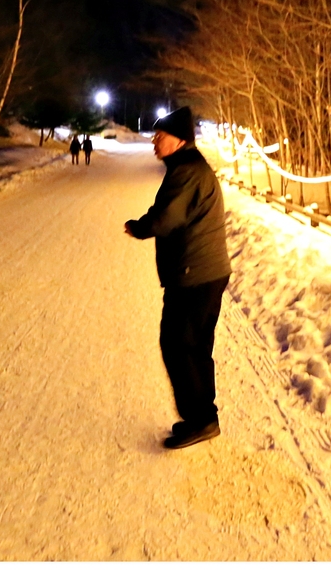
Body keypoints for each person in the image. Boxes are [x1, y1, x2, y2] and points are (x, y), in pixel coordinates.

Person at [124, 107, 231, 449]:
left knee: (178, 345)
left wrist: (142, 227)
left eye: (160, 136)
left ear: (179, 140)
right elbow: (171, 210)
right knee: (195, 346)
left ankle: (200, 419)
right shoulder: (188, 167)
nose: (155, 142)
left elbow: (167, 216)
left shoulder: (186, 171)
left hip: (194, 273)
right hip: (205, 271)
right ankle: (202, 416)